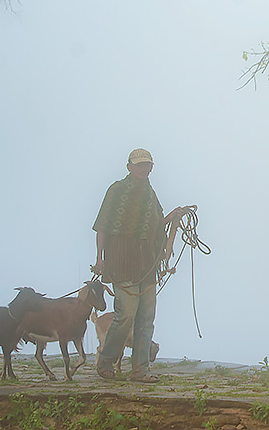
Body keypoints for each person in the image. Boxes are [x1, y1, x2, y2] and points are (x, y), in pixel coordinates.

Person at [92, 148, 185, 382]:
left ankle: (140, 370)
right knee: (125, 315)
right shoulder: (116, 190)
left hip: (146, 263)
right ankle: (105, 363)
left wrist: (172, 216)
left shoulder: (150, 194)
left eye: (147, 166)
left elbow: (154, 227)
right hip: (121, 260)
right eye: (140, 165)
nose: (144, 169)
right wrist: (99, 258)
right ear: (129, 167)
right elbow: (102, 225)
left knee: (146, 317)